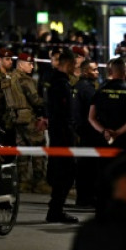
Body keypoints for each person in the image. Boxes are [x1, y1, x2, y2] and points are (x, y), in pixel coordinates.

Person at [45, 48, 79, 224]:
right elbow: (64, 114)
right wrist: (70, 136)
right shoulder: (60, 84)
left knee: (63, 173)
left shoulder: (58, 81)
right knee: (65, 174)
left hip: (59, 134)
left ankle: (56, 209)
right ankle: (55, 210)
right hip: (62, 136)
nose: (75, 68)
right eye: (74, 64)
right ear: (68, 64)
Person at [7, 52, 48, 191]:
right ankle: (40, 183)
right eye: (29, 64)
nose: (32, 66)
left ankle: (22, 182)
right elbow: (36, 100)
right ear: (20, 64)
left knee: (22, 150)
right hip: (29, 118)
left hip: (16, 118)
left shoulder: (10, 77)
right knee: (38, 147)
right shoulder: (25, 80)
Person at [88, 58, 126, 150]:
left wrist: (104, 131)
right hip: (125, 140)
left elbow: (91, 117)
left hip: (104, 140)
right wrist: (117, 133)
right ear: (125, 71)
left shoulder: (100, 90)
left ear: (111, 71)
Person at [72, 59, 101, 208]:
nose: (97, 72)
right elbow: (95, 109)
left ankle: (84, 198)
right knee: (88, 167)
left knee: (84, 166)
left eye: (97, 69)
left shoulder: (81, 85)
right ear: (85, 72)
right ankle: (86, 198)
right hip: (88, 131)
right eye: (93, 70)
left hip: (82, 130)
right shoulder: (87, 88)